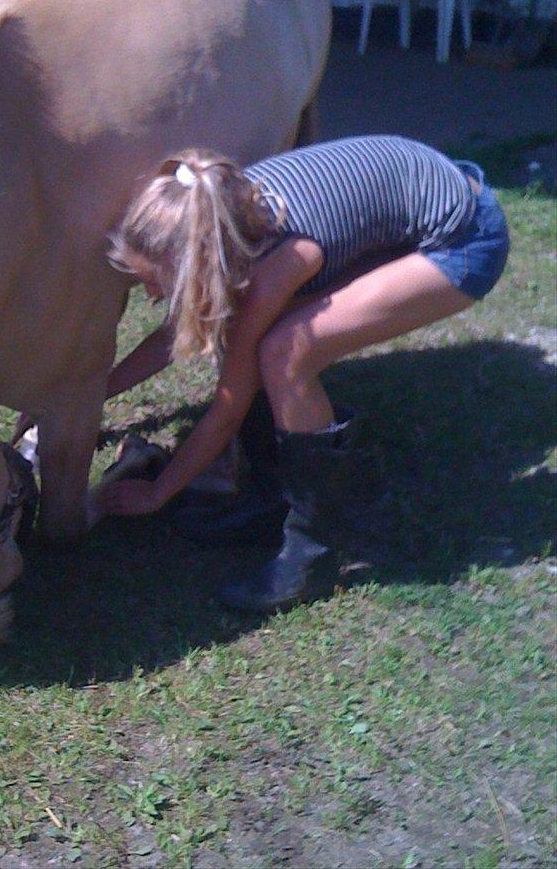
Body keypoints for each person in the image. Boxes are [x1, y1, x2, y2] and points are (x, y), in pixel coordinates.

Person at [96, 135, 509, 614]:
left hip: (463, 237)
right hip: (414, 204)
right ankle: (276, 490)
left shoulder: (277, 260)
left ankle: (315, 550)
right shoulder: (217, 209)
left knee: (282, 354)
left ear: (196, 262)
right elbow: (174, 333)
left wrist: (158, 491)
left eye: (154, 280)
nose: (149, 293)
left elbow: (228, 406)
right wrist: (94, 395)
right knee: (251, 337)